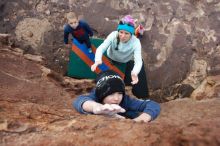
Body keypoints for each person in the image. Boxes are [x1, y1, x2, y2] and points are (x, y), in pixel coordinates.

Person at [91, 15, 149, 99]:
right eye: (121, 32)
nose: (123, 36)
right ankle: (138, 30)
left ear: (131, 34)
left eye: (126, 33)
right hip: (110, 57)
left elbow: (138, 60)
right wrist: (97, 60)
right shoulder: (113, 35)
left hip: (125, 61)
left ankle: (142, 97)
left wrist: (135, 72)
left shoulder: (135, 42)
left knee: (134, 78)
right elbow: (102, 47)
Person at [73, 70, 160, 123]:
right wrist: (95, 107)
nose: (116, 98)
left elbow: (152, 104)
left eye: (119, 93)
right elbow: (80, 101)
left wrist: (138, 120)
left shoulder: (126, 100)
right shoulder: (96, 96)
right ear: (101, 94)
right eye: (111, 94)